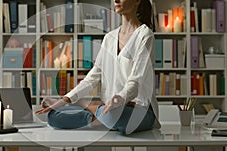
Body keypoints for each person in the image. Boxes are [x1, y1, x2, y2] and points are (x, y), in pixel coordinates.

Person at [36, 0, 161, 135]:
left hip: (139, 110)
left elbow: (136, 81)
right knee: (54, 117)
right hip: (109, 108)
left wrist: (120, 99)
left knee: (115, 116)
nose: (116, 0)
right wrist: (65, 99)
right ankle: (102, 118)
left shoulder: (145, 35)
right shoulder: (110, 37)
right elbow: (93, 76)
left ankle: (87, 106)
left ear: (137, 1)